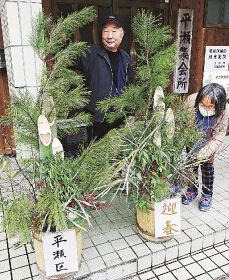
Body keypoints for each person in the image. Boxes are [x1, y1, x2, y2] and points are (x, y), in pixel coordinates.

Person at [74, 15, 135, 142]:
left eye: (114, 31)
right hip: (97, 118)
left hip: (120, 116)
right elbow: (67, 60)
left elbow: (131, 86)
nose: (109, 36)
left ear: (122, 34)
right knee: (96, 153)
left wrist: (130, 112)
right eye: (106, 31)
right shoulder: (90, 53)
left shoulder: (126, 58)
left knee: (119, 154)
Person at [182, 83, 229, 211]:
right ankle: (191, 189)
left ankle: (207, 195)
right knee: (191, 165)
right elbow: (182, 121)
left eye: (210, 106)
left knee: (207, 167)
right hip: (192, 138)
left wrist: (206, 151)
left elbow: (219, 136)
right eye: (203, 105)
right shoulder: (191, 100)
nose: (206, 108)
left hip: (209, 141)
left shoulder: (225, 110)